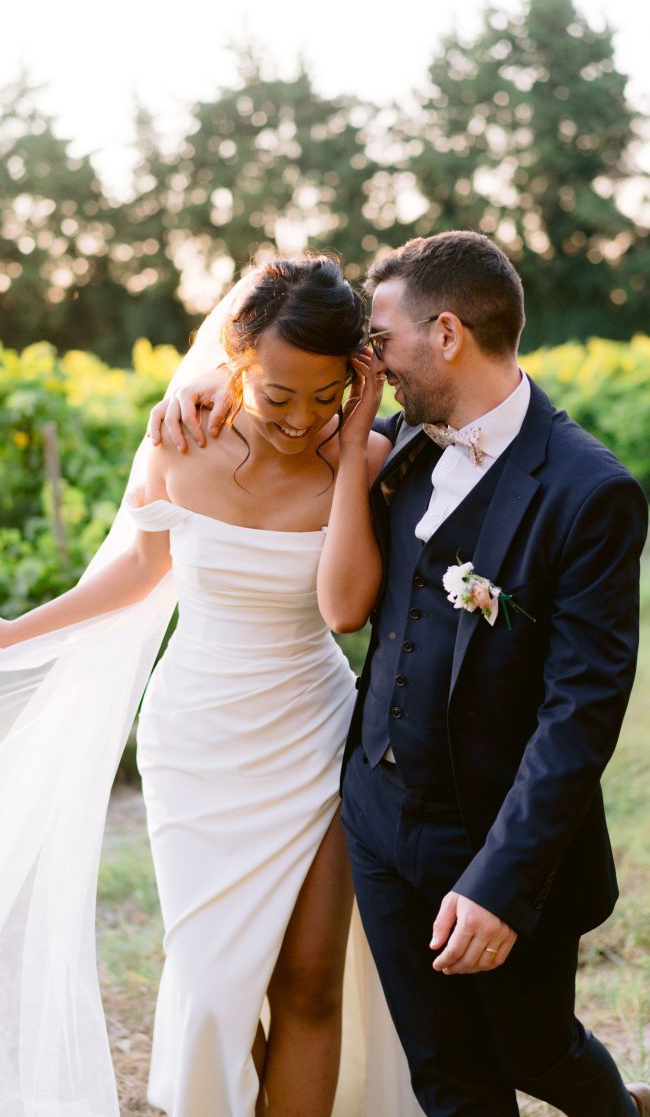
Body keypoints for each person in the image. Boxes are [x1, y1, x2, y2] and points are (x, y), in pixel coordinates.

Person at [158, 232, 649, 1117]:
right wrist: (211, 383)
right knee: (446, 1080)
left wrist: (500, 886)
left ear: (448, 335)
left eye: (379, 341)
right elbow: (296, 411)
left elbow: (580, 715)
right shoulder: (401, 447)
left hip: (498, 849)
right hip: (379, 831)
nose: (365, 363)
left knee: (535, 1052)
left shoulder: (588, 492)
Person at [0, 256, 422, 1117]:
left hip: (312, 735)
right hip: (196, 744)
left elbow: (345, 609)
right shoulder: (179, 442)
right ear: (235, 360)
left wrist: (352, 456)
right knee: (215, 988)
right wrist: (13, 633)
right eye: (277, 396)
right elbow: (132, 575)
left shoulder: (368, 458)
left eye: (326, 395)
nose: (302, 419)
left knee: (308, 988)